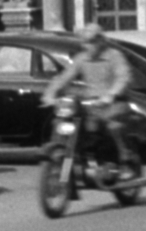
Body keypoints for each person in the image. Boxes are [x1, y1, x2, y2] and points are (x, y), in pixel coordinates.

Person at [42, 23, 138, 172]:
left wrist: (110, 95)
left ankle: (125, 161)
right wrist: (50, 94)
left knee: (112, 126)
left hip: (114, 103)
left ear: (100, 40)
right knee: (62, 122)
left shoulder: (114, 56)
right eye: (85, 42)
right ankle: (66, 164)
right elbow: (65, 77)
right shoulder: (82, 58)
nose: (87, 46)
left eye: (91, 41)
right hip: (90, 105)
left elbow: (123, 78)